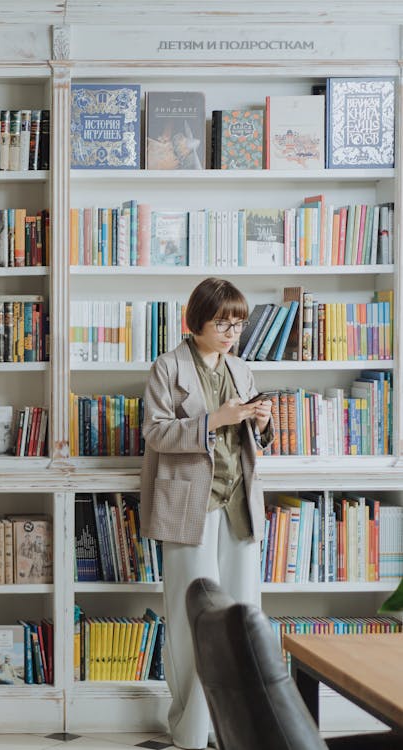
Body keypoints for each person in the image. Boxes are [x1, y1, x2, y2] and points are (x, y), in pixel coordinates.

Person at [140, 277, 272, 750]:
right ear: (196, 320)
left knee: (241, 620)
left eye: (238, 323)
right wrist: (213, 421)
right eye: (222, 322)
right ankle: (191, 729)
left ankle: (233, 728)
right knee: (191, 619)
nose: (232, 331)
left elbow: (253, 442)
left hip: (238, 506)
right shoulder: (167, 367)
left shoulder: (241, 369)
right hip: (189, 507)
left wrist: (262, 422)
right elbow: (155, 434)